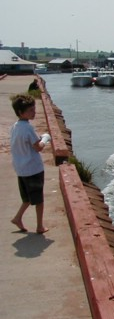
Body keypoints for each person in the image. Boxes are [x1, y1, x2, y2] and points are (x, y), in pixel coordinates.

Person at [9, 94, 51, 234]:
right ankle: (39, 226)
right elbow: (38, 147)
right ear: (21, 112)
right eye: (30, 111)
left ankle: (18, 217)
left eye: (34, 109)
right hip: (33, 169)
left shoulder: (15, 127)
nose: (34, 112)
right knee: (38, 199)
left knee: (27, 197)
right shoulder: (28, 128)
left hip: (21, 168)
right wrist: (45, 138)